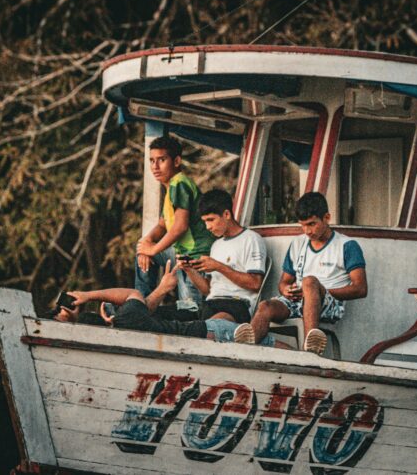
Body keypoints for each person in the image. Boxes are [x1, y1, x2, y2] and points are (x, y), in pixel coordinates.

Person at [240, 192, 367, 355]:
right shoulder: (297, 243)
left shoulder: (347, 245)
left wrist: (314, 291)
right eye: (303, 225)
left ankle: (310, 351)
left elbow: (361, 288)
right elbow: (283, 282)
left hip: (329, 303)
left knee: (309, 282)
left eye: (312, 224)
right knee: (265, 306)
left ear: (327, 218)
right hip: (298, 301)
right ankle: (244, 351)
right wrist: (287, 290)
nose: (307, 231)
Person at [56, 261, 277, 346]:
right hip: (205, 325)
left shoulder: (127, 321)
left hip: (211, 327)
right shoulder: (129, 318)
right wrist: (89, 296)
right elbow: (133, 294)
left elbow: (138, 298)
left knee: (263, 343)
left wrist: (163, 288)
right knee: (269, 344)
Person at [135, 135, 214, 309]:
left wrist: (153, 249)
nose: (155, 166)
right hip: (182, 254)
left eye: (161, 160)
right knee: (142, 250)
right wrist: (146, 244)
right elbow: (162, 225)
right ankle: (141, 303)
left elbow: (180, 227)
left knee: (190, 310)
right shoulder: (171, 188)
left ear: (177, 161)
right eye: (152, 161)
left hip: (195, 257)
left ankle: (140, 306)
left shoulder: (179, 183)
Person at [178, 189, 267, 328]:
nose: (208, 227)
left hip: (238, 305)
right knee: (168, 318)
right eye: (205, 221)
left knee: (208, 327)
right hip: (211, 304)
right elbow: (208, 290)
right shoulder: (216, 245)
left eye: (211, 220)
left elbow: (255, 284)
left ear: (226, 214)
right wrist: (189, 270)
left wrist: (219, 266)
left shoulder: (251, 239)